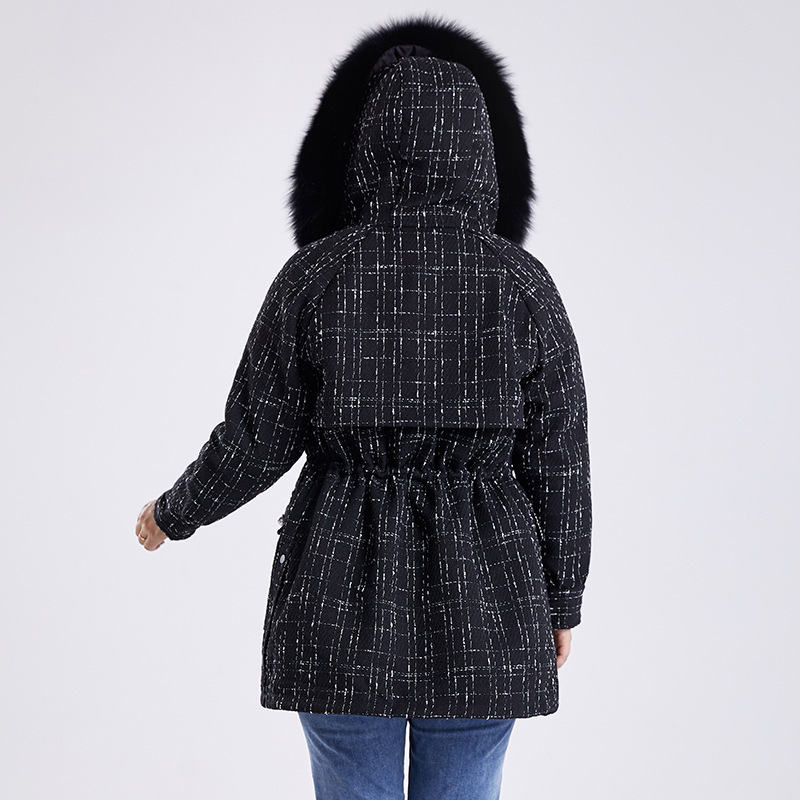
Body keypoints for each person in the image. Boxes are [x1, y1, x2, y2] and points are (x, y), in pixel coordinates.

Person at [135, 14, 592, 800]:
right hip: (491, 591)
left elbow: (255, 436)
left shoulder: (317, 274)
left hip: (338, 581)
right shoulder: (522, 283)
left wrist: (174, 512)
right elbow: (560, 460)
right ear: (484, 153)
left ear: (361, 147)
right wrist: (562, 598)